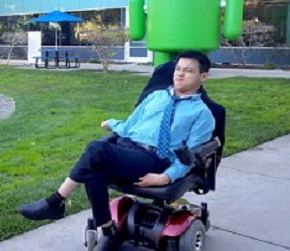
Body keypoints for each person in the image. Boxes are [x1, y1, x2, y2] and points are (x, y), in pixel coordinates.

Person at [18, 50, 215, 251]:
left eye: (188, 71)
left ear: (203, 76)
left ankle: (55, 202)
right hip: (129, 148)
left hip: (155, 158)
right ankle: (109, 230)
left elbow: (191, 156)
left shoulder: (202, 114)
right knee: (94, 172)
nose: (180, 74)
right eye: (178, 69)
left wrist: (165, 177)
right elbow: (131, 126)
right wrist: (113, 123)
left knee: (97, 148)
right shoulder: (156, 96)